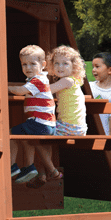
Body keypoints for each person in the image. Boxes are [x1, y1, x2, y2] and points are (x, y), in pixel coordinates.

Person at [30, 45, 87, 187]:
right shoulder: (74, 81)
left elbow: (46, 91)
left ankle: (52, 171)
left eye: (65, 63)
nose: (60, 67)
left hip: (70, 127)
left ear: (74, 66)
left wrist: (30, 85)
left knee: (34, 137)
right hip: (76, 127)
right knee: (44, 138)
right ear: (51, 65)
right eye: (56, 63)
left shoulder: (67, 81)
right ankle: (42, 175)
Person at [8, 45, 55, 183]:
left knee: (10, 135)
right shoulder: (40, 79)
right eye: (24, 64)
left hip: (39, 123)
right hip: (46, 124)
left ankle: (11, 167)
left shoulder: (37, 80)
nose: (28, 68)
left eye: (32, 64)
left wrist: (4, 87)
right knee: (26, 138)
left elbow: (20, 91)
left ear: (43, 65)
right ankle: (29, 167)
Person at [90, 52, 111, 135]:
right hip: (85, 133)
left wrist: (110, 139)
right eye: (93, 67)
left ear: (110, 70)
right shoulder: (89, 87)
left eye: (97, 66)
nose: (93, 70)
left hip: (103, 135)